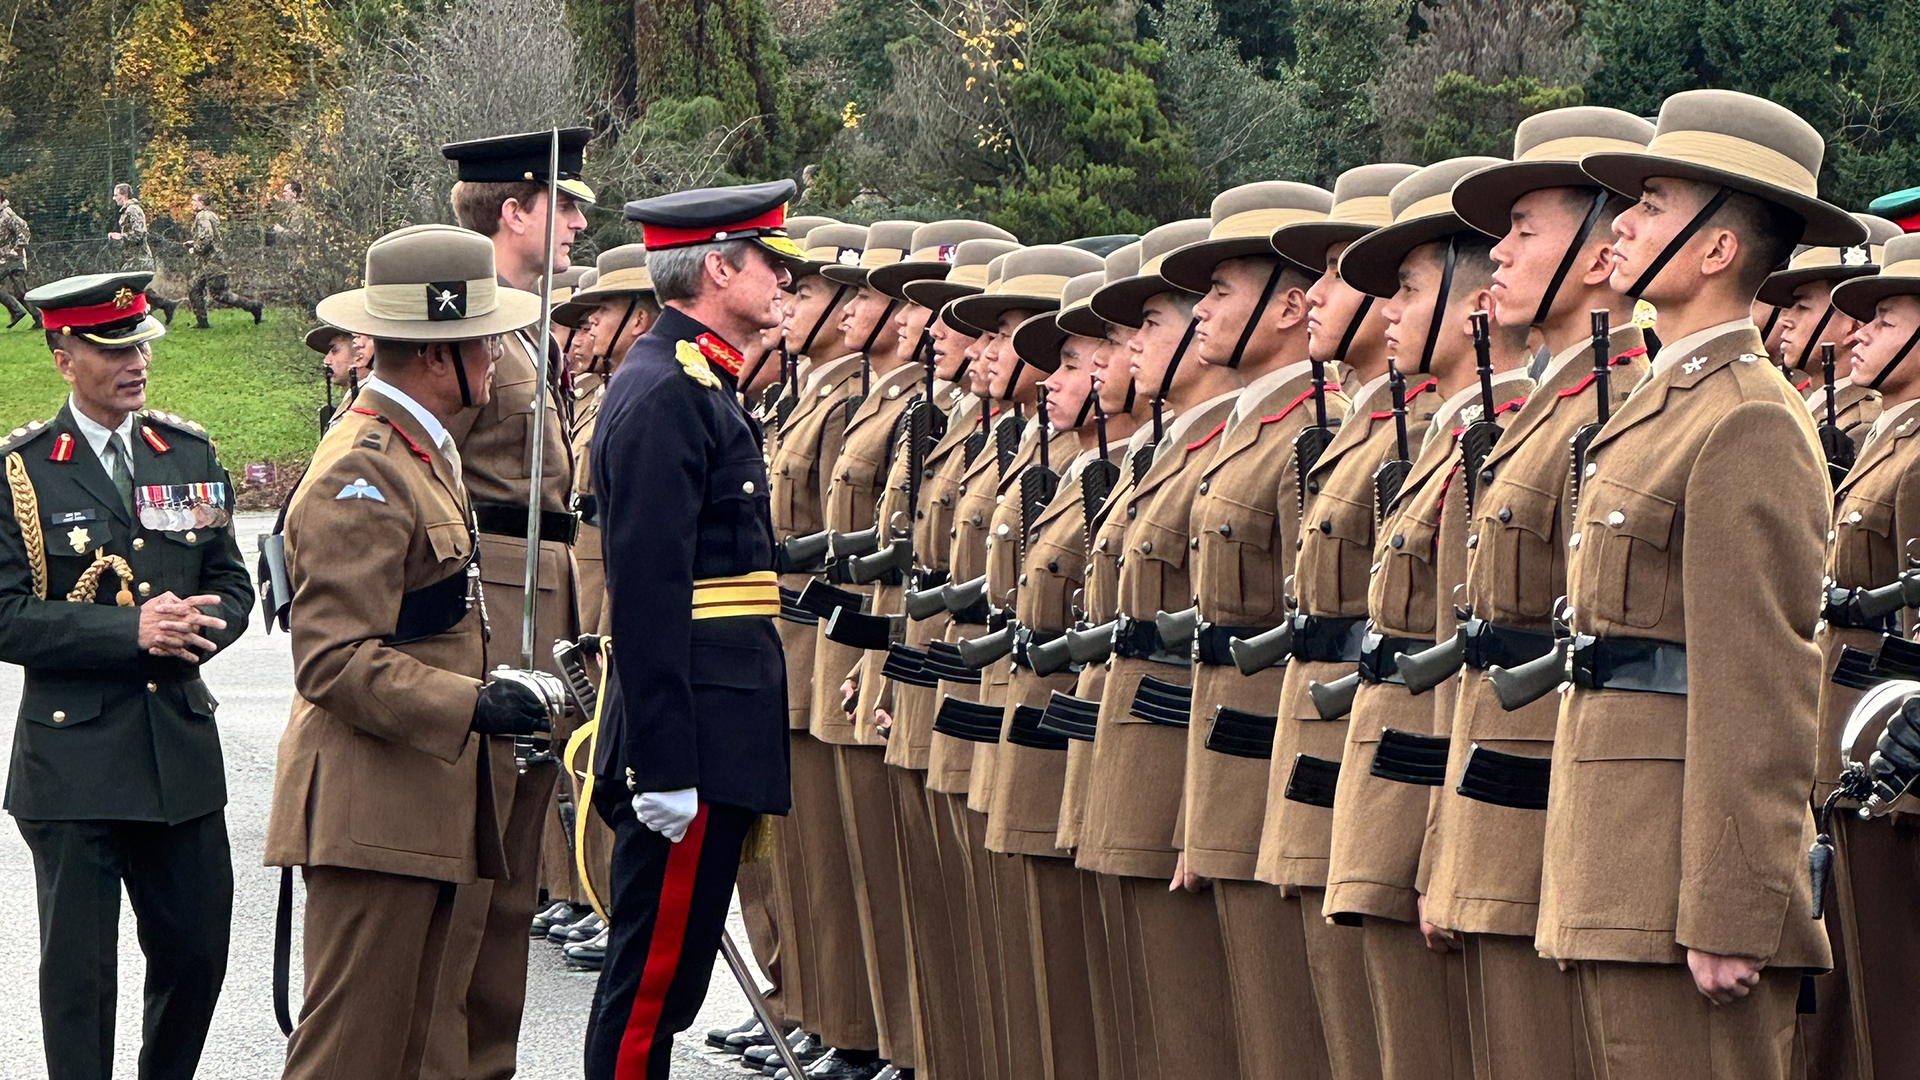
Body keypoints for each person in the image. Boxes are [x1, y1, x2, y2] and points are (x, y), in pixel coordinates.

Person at [1539, 87, 1857, 1078]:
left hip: (1678, 894)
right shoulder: (1663, 404)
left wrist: (1729, 905)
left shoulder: (1746, 417)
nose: (1621, 225)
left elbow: (1757, 682)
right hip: (1613, 868)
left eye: (1652, 204)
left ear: (1718, 249)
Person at [265, 223, 563, 1080]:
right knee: (353, 1056)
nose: (503, 357)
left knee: (418, 1051)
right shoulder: (363, 467)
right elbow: (332, 659)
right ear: (442, 355)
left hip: (417, 803)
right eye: (490, 340)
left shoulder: (421, 451)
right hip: (372, 812)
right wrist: (472, 704)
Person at [1417, 106, 1655, 1079]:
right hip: (1497, 814)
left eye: (1526, 232)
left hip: (1561, 827)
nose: (1500, 256)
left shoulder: (1615, 409)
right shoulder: (1542, 411)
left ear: (1601, 261)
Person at [2, 270, 253, 1080]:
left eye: (141, 342)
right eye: (112, 347)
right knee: (79, 978)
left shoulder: (184, 450)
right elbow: (5, 612)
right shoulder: (24, 471)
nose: (136, 360)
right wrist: (127, 630)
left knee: (197, 950)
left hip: (176, 749)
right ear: (62, 354)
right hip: (73, 759)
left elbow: (233, 581)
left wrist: (199, 627)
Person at [584, 178, 799, 1080]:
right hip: (693, 740)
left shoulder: (699, 378)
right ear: (719, 266)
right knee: (648, 994)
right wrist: (663, 765)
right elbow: (647, 594)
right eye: (771, 263)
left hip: (719, 725)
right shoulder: (668, 390)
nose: (787, 284)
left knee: (663, 992)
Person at [1156, 179, 1343, 1080]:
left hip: (1281, 767)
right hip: (1226, 763)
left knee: (1279, 1032)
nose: (1203, 312)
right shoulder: (1244, 433)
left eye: (1222, 289)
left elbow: (1307, 631)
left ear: (1288, 305)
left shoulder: (1312, 431)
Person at [430, 127, 594, 1079]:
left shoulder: (523, 320)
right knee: (472, 866)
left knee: (512, 882)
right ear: (516, 211)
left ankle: (486, 1062)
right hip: (490, 608)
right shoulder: (469, 325)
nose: (577, 220)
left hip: (538, 596)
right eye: (563, 203)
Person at [1073, 216, 1246, 1078]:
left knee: (1200, 1018)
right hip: (1132, 738)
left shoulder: (1257, 445)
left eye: (1151, 325)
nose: (1126, 351)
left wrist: (1202, 808)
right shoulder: (1172, 451)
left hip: (1195, 762)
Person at [1814, 234, 1920, 1080]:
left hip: (1897, 770)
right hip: (1852, 750)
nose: (1856, 334)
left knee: (1893, 1008)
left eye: (1882, 321)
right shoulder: (1891, 439)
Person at [1762, 213, 1904, 451]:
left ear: (1854, 323)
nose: (1785, 320)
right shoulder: (1811, 406)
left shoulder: (1860, 426)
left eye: (1802, 307)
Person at [184, 192, 262, 328]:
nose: (191, 203)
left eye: (193, 200)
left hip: (213, 262)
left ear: (201, 202)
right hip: (207, 262)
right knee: (194, 288)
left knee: (220, 295)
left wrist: (195, 248)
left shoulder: (202, 216)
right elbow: (211, 237)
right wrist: (194, 242)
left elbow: (207, 239)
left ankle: (253, 306)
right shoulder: (210, 215)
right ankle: (202, 323)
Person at [107, 183, 179, 323]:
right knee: (139, 289)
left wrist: (120, 236)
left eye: (116, 195)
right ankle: (161, 307)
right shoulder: (127, 210)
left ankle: (134, 316)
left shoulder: (133, 210)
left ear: (124, 195)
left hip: (139, 258)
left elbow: (138, 234)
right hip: (133, 257)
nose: (114, 198)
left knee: (125, 285)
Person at [305, 323, 375, 430]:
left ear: (359, 351)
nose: (326, 361)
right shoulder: (356, 396)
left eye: (335, 350)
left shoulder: (374, 400)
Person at [0, 189, 36, 327]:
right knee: (20, 291)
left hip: (14, 258)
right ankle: (17, 311)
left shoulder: (8, 214)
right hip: (3, 258)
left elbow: (24, 229)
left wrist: (17, 248)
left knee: (21, 292)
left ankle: (36, 317)